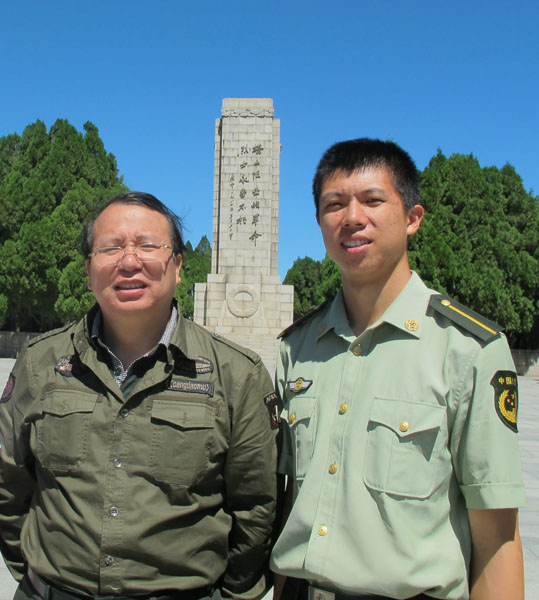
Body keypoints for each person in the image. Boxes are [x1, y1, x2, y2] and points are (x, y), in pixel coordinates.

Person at [270, 139, 525, 600]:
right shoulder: (297, 349)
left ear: (412, 218)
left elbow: (498, 537)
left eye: (372, 200)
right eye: (334, 204)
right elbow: (291, 504)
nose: (351, 218)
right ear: (320, 223)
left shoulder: (469, 350)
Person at [0, 192, 279, 600]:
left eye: (149, 246)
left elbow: (256, 509)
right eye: (110, 247)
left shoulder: (237, 374)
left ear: (178, 265)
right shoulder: (41, 362)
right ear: (89, 270)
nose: (129, 261)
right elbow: (9, 484)